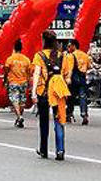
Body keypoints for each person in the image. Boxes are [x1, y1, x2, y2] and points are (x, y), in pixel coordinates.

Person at [31, 30, 70, 160]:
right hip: (58, 92)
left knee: (44, 122)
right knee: (59, 120)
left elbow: (36, 74)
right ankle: (60, 150)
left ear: (43, 41)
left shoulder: (39, 55)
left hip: (44, 91)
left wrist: (33, 92)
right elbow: (67, 77)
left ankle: (43, 150)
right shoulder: (63, 56)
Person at [4, 39, 31, 128]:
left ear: (14, 48)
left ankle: (19, 116)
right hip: (24, 82)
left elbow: (6, 70)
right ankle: (20, 118)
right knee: (22, 100)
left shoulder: (10, 59)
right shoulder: (26, 59)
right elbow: (29, 72)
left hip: (13, 82)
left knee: (14, 100)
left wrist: (5, 80)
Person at [64, 40, 91, 125]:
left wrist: (68, 78)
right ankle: (84, 114)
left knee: (71, 97)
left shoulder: (71, 56)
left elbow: (70, 68)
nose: (68, 48)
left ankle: (69, 114)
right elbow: (89, 66)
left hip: (73, 79)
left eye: (69, 46)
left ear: (73, 46)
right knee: (83, 96)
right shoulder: (85, 55)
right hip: (82, 78)